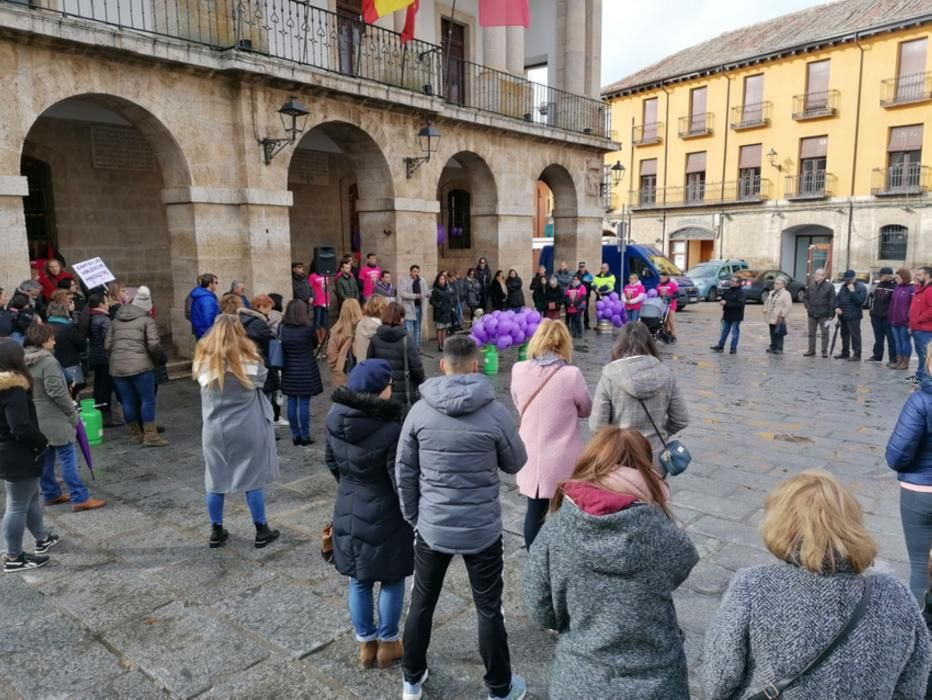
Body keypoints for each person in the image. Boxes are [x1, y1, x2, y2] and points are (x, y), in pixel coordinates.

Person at [703, 470, 930, 700]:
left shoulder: (752, 586)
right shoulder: (897, 596)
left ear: (779, 524)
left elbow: (718, 681)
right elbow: (912, 687)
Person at [396, 336, 528, 700]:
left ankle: (411, 679)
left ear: (443, 365)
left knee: (422, 602)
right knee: (489, 608)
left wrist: (414, 517)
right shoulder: (495, 412)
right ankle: (499, 687)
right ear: (474, 365)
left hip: (433, 525)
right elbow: (516, 462)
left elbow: (403, 472)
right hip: (481, 528)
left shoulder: (419, 413)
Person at [524, 427, 698, 699]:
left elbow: (540, 609)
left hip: (580, 680)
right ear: (645, 469)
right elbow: (684, 562)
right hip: (657, 681)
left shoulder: (555, 529)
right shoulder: (664, 533)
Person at [326, 360, 413, 670]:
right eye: (389, 384)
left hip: (348, 505)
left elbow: (332, 462)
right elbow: (398, 479)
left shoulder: (334, 418)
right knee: (391, 578)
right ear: (379, 391)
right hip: (386, 512)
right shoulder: (390, 429)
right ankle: (389, 643)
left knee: (359, 580)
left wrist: (351, 487)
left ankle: (366, 644)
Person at [192, 315, 280, 550]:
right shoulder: (249, 362)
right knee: (253, 478)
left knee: (215, 479)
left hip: (214, 429)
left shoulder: (203, 363)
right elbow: (263, 379)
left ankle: (216, 530)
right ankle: (261, 529)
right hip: (246, 427)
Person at [510, 319, 591, 547]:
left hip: (530, 453)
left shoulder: (519, 370)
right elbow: (586, 409)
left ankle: (535, 561)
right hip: (563, 458)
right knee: (566, 514)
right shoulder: (571, 375)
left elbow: (518, 402)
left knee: (534, 513)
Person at [24, 324, 106, 512]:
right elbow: (56, 391)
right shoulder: (48, 362)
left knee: (47, 458)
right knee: (67, 457)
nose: (54, 341)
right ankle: (80, 497)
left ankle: (51, 493)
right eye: (52, 338)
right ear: (43, 341)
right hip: (55, 417)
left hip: (36, 416)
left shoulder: (24, 360)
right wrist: (70, 411)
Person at [590, 322, 689, 473]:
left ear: (619, 344)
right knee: (654, 495)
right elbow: (681, 419)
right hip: (655, 459)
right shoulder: (666, 374)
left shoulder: (609, 375)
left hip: (619, 458)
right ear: (650, 343)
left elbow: (597, 426)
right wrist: (661, 433)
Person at [0, 338, 60, 572]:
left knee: (30, 497)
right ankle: (14, 557)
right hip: (17, 455)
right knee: (16, 505)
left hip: (8, 454)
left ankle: (42, 538)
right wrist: (41, 444)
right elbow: (20, 427)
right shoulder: (13, 391)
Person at [886, 349, 932, 602]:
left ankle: (922, 628)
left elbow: (897, 455)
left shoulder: (921, 400)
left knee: (919, 565)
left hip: (921, 491)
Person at [107, 289, 167, 447]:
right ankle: (150, 435)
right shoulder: (147, 321)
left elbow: (107, 345)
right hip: (141, 365)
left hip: (117, 366)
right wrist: (156, 359)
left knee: (127, 400)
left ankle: (135, 434)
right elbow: (154, 345)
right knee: (147, 399)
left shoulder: (115, 321)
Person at [367, 302, 425, 413]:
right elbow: (417, 369)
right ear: (400, 319)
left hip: (382, 392)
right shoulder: (406, 340)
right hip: (403, 394)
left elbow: (370, 366)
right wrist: (422, 385)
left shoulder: (375, 339)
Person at [280, 299, 324, 445]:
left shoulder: (283, 327)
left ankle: (295, 435)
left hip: (289, 368)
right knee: (304, 403)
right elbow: (314, 343)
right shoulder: (308, 327)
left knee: (291, 402)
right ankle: (305, 435)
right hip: (306, 367)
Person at [237, 295, 282, 422]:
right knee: (265, 399)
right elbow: (269, 343)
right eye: (269, 308)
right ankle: (265, 426)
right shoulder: (258, 323)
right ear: (261, 306)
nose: (270, 311)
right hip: (260, 362)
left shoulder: (243, 319)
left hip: (246, 362)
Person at [45, 300, 87, 395]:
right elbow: (82, 344)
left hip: (51, 365)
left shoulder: (44, 326)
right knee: (73, 393)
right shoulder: (68, 327)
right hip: (70, 365)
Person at [327, 298, 363, 388]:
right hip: (361, 374)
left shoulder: (336, 331)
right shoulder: (363, 330)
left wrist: (337, 368)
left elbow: (331, 356)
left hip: (341, 376)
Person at [834, 269, 867, 361]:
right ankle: (845, 352)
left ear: (854, 278)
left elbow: (860, 302)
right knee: (844, 334)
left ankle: (857, 354)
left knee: (855, 335)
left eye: (850, 279)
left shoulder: (861, 287)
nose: (848, 281)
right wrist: (836, 307)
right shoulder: (843, 286)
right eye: (846, 279)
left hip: (854, 315)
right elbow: (838, 298)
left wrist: (853, 292)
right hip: (843, 315)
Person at [803, 267, 836, 358]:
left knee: (825, 333)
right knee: (811, 333)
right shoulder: (811, 285)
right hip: (812, 314)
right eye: (815, 274)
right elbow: (805, 297)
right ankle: (811, 350)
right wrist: (807, 306)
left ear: (823, 276)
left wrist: (831, 315)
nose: (815, 276)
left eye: (818, 274)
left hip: (824, 315)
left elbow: (832, 301)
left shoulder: (829, 286)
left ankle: (824, 351)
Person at [867, 267, 897, 364]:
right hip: (876, 316)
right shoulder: (879, 285)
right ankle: (877, 356)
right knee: (878, 338)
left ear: (889, 276)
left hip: (887, 318)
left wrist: (889, 314)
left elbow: (895, 303)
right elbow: (873, 299)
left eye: (881, 275)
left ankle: (893, 358)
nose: (879, 277)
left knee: (891, 339)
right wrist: (872, 311)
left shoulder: (895, 287)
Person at [711, 275, 746, 354]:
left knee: (735, 332)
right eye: (731, 281)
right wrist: (722, 301)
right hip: (727, 314)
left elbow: (740, 304)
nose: (731, 282)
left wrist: (727, 303)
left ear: (738, 284)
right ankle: (720, 346)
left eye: (733, 281)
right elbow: (723, 298)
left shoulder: (741, 293)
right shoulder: (728, 291)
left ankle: (733, 348)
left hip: (736, 316)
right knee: (724, 331)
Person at [890, 268, 916, 371]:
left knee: (905, 341)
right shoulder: (897, 287)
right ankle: (899, 361)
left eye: (897, 277)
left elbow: (912, 306)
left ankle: (905, 362)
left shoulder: (911, 289)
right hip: (893, 319)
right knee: (897, 342)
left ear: (904, 277)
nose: (896, 279)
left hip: (904, 321)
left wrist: (909, 320)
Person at [909, 267, 932, 385]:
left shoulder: (929, 290)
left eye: (919, 275)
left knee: (925, 356)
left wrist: (919, 319)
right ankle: (919, 376)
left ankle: (925, 380)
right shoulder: (920, 290)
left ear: (927, 276)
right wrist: (911, 324)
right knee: (921, 355)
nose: (916, 277)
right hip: (917, 329)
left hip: (925, 330)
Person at [763, 276, 793, 355]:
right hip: (771, 316)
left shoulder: (786, 294)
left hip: (779, 317)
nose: (775, 285)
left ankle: (779, 348)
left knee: (779, 332)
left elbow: (788, 306)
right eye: (775, 283)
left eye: (777, 283)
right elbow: (767, 302)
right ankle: (773, 346)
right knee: (772, 332)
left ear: (783, 285)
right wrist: (765, 309)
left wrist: (782, 314)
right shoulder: (772, 292)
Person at [398, 265, 424, 351]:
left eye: (417, 271)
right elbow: (402, 293)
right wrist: (415, 296)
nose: (416, 273)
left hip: (419, 307)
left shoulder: (421, 280)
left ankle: (417, 347)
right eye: (414, 271)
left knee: (417, 328)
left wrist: (427, 293)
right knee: (409, 330)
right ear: (410, 271)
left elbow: (424, 291)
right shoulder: (404, 280)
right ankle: (410, 348)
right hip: (409, 308)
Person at [354, 296, 386, 362]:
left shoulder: (360, 324)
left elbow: (355, 350)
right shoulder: (383, 329)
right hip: (378, 368)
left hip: (362, 366)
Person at [189, 273, 220, 340]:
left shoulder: (202, 295)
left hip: (201, 332)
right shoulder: (207, 299)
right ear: (210, 284)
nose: (217, 285)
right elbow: (208, 320)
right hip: (207, 334)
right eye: (216, 282)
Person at [430, 272, 455, 352]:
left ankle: (444, 344)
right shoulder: (435, 289)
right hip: (439, 312)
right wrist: (438, 305)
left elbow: (450, 298)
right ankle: (439, 344)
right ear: (438, 280)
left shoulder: (447, 288)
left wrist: (451, 306)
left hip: (447, 311)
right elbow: (431, 300)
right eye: (440, 279)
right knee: (439, 329)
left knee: (445, 329)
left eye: (443, 279)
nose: (442, 281)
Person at [308, 265, 332, 345]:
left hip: (325, 299)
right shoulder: (312, 276)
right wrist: (311, 297)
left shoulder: (326, 275)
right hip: (317, 301)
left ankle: (324, 339)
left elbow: (327, 287)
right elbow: (309, 288)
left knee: (324, 321)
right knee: (317, 320)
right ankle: (318, 340)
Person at [657, 272, 679, 342]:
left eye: (662, 278)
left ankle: (674, 335)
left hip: (671, 305)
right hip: (662, 305)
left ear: (666, 277)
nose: (660, 279)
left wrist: (670, 297)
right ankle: (667, 333)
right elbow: (657, 294)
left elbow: (677, 294)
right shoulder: (658, 285)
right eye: (660, 278)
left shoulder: (672, 284)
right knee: (664, 321)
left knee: (670, 320)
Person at [576, 262, 594, 330]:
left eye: (583, 266)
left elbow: (592, 285)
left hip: (586, 296)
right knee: (577, 310)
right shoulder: (576, 275)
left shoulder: (589, 275)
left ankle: (586, 324)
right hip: (577, 296)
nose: (582, 268)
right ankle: (577, 324)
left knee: (586, 310)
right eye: (580, 266)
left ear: (585, 267)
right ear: (579, 267)